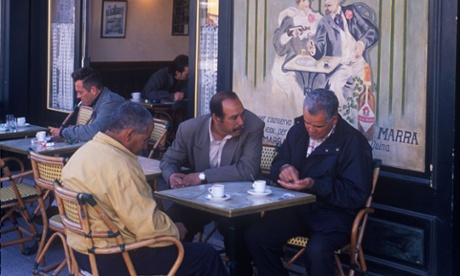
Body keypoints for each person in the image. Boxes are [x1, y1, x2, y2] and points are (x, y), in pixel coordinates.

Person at [60, 101, 227, 275]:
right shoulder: (120, 166)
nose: (145, 146)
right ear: (129, 134)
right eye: (145, 139)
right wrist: (175, 230)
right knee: (205, 255)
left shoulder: (83, 153)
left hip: (81, 252)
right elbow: (147, 227)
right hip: (115, 257)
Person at [245, 88, 373, 276]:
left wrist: (314, 185)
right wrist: (284, 168)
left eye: (318, 126)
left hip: (333, 216)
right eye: (307, 123)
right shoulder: (298, 130)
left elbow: (355, 195)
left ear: (334, 120)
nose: (311, 130)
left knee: (317, 251)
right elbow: (278, 162)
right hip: (296, 209)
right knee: (256, 237)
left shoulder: (353, 142)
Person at [160, 90, 265, 275]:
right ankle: (179, 269)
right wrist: (172, 176)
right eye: (234, 117)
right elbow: (168, 160)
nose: (241, 121)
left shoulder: (253, 125)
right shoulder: (189, 129)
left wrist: (201, 176)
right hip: (201, 199)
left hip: (239, 201)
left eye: (242, 113)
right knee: (170, 221)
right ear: (216, 118)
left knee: (234, 230)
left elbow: (247, 170)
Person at [306, 0, 379, 126]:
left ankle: (358, 128)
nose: (326, 6)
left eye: (329, 3)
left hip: (358, 64)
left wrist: (361, 44)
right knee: (334, 89)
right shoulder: (324, 22)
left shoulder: (352, 12)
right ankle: (342, 126)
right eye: (325, 3)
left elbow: (372, 32)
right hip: (339, 67)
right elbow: (319, 48)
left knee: (363, 97)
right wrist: (313, 50)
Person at [50, 67, 126, 142]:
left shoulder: (111, 103)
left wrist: (63, 132)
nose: (78, 96)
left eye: (80, 92)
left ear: (93, 90)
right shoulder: (101, 100)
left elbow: (94, 132)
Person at [273, 0, 324, 95]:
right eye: (303, 1)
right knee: (296, 84)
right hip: (296, 62)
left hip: (314, 62)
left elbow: (323, 42)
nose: (306, 3)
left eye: (308, 0)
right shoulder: (291, 20)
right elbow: (278, 45)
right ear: (297, 2)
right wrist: (289, 33)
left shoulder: (318, 18)